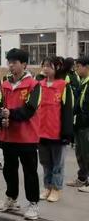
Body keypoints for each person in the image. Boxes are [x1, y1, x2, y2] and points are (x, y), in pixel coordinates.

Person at [0, 48, 41, 220]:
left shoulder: (34, 85)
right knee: (9, 170)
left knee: (30, 171)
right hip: (8, 136)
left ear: (24, 64)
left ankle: (33, 203)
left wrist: (10, 114)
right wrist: (0, 120)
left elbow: (29, 109)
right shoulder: (4, 85)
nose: (10, 66)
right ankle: (11, 198)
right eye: (9, 62)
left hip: (27, 137)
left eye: (14, 62)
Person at [37, 56, 73, 202]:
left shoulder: (64, 86)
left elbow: (68, 111)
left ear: (57, 68)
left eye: (49, 66)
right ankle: (47, 186)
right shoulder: (39, 85)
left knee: (58, 164)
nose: (45, 69)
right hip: (41, 132)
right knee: (45, 163)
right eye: (44, 65)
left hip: (57, 133)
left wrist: (66, 133)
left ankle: (56, 189)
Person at [68, 56, 89, 192]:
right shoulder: (83, 82)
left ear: (86, 67)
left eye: (78, 66)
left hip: (86, 125)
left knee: (87, 154)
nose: (76, 69)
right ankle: (82, 178)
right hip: (80, 124)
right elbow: (78, 104)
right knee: (80, 153)